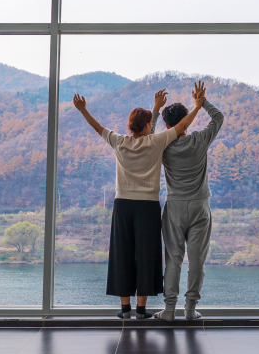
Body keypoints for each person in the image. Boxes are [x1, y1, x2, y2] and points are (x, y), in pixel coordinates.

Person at [72, 89, 201, 319]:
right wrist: (197, 106)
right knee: (146, 254)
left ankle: (125, 309)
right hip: (147, 206)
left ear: (131, 125)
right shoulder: (156, 142)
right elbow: (182, 126)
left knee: (122, 254)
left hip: (122, 205)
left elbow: (97, 127)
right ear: (148, 126)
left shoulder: (119, 142)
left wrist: (83, 110)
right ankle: (141, 310)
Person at [150, 81, 223, 321]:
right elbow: (219, 118)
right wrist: (201, 103)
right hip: (200, 206)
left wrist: (155, 109)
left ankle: (169, 310)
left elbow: (147, 137)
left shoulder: (162, 145)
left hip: (175, 208)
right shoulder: (199, 140)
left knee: (174, 259)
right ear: (187, 122)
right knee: (197, 261)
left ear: (167, 125)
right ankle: (190, 310)